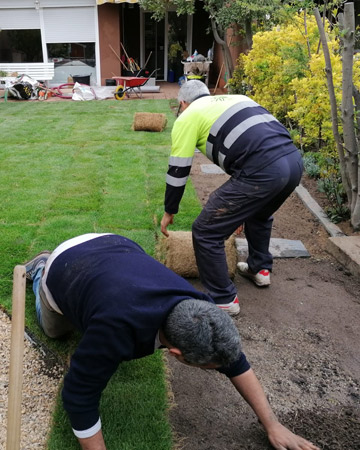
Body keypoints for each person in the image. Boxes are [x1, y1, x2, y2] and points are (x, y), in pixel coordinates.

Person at [24, 233, 318, 450]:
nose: (218, 369)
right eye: (208, 367)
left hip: (115, 245)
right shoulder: (115, 329)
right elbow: (79, 397)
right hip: (66, 263)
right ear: (176, 354)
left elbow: (235, 362)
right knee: (56, 332)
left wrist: (272, 424)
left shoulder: (198, 304)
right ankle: (39, 270)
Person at [160, 80, 304, 315]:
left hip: (263, 169)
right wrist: (240, 209)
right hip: (293, 162)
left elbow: (178, 170)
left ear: (183, 103)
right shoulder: (238, 99)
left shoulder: (188, 117)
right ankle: (260, 270)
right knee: (260, 214)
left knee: (206, 231)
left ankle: (223, 298)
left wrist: (169, 210)